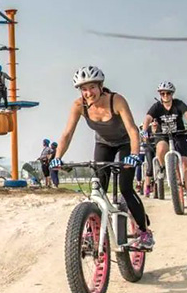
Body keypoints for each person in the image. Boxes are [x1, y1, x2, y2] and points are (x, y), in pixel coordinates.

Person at [50, 66, 154, 249]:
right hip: (103, 144)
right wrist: (57, 157)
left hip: (125, 143)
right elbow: (67, 134)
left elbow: (132, 130)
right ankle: (92, 233)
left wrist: (134, 155)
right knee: (98, 188)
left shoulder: (116, 100)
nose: (88, 93)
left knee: (125, 187)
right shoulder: (79, 106)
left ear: (100, 86)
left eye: (92, 87)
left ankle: (145, 232)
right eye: (84, 89)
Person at [142, 81, 187, 199]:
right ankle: (163, 167)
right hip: (162, 134)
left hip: (179, 134)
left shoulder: (178, 104)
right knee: (161, 149)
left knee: (185, 161)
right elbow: (148, 118)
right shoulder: (157, 106)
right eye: (162, 93)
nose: (165, 96)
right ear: (160, 94)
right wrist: (144, 130)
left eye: (168, 93)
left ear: (172, 94)